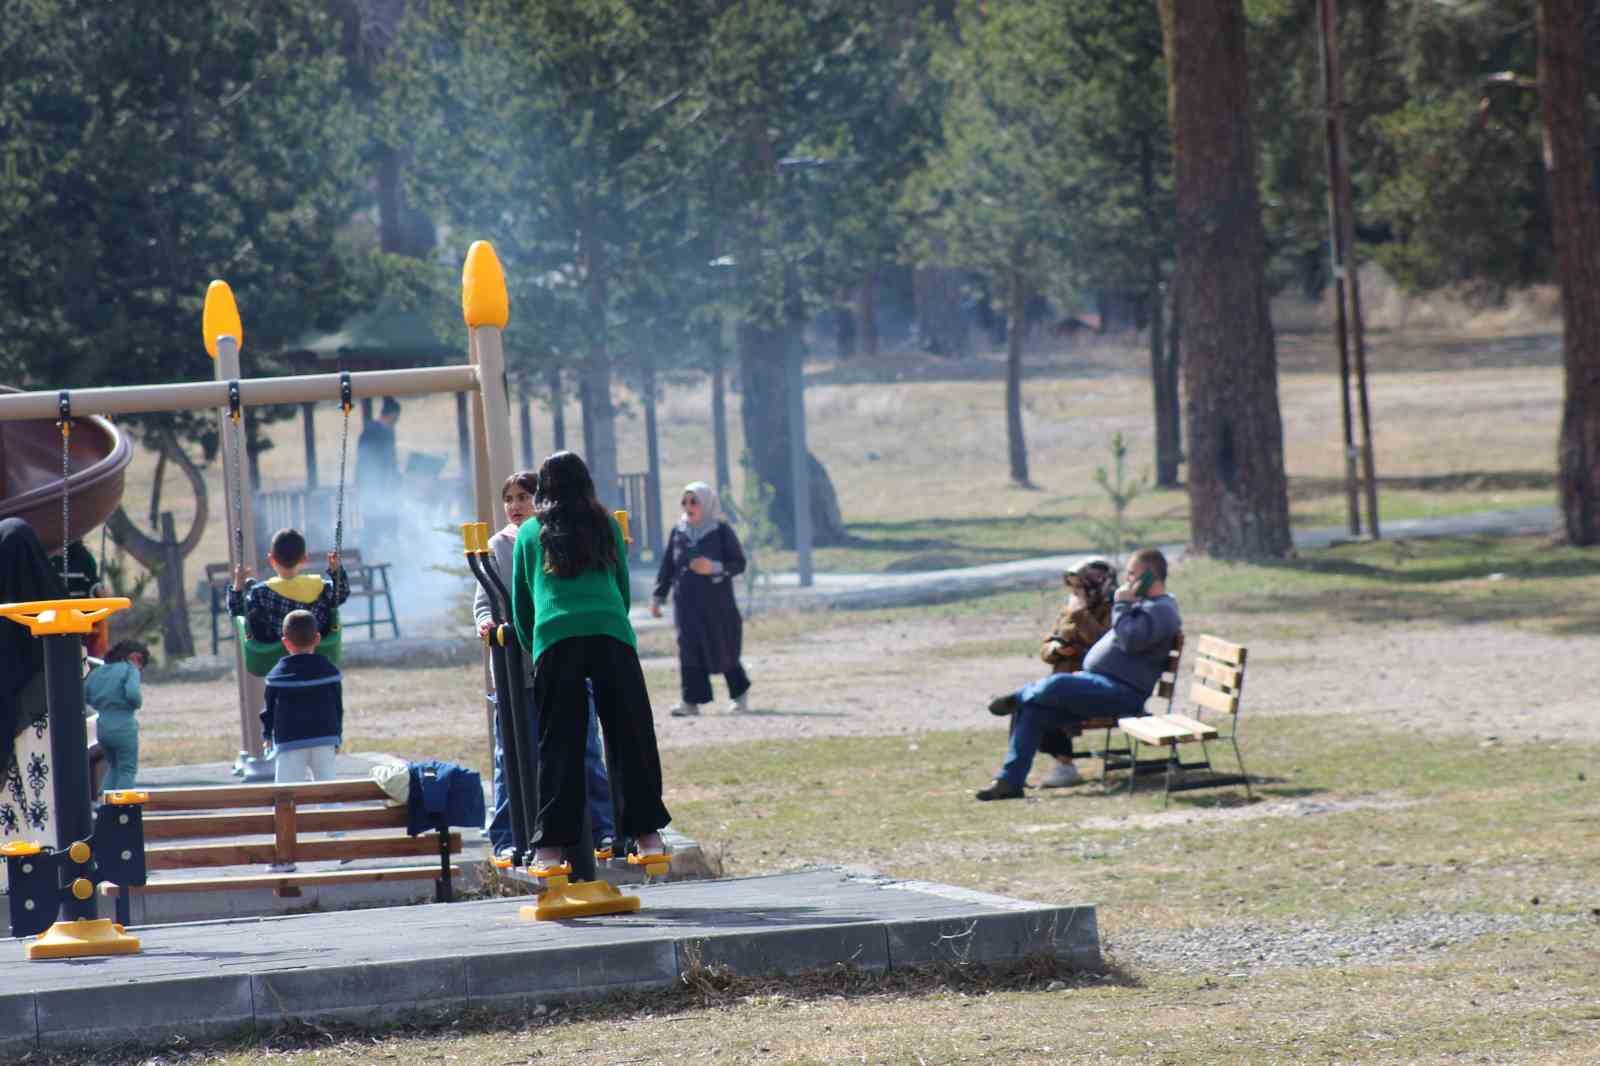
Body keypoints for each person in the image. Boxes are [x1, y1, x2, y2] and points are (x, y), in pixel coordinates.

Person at [510, 451, 670, 871]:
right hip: (610, 633)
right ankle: (647, 835)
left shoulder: (530, 533)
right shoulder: (606, 526)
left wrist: (537, 645)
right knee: (629, 734)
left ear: (542, 489)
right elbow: (621, 587)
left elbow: (521, 602)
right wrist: (611, 622)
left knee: (558, 741)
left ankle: (549, 849)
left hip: (556, 638)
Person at [473, 470, 616, 856]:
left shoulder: (557, 540)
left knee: (585, 749)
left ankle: (601, 827)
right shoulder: (497, 547)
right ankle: (508, 836)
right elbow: (485, 599)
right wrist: (486, 622)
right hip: (514, 668)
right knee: (512, 755)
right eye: (510, 498)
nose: (516, 505)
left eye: (525, 497)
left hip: (561, 658)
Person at [977, 547, 1181, 801]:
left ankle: (1017, 697)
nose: (1127, 580)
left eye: (1132, 574)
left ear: (1149, 576)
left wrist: (1122, 604)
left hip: (1123, 692)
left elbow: (1129, 640)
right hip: (1100, 684)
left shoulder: (1162, 609)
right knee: (1033, 709)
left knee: (1058, 684)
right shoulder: (1147, 605)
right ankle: (1010, 780)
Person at [1015, 558, 1117, 789]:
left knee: (1041, 702)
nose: (1074, 593)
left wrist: (1082, 616)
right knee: (1025, 700)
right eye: (1071, 587)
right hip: (1064, 679)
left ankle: (1065, 766)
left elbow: (1105, 646)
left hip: (1095, 687)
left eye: (1079, 587)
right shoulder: (1070, 609)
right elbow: (1047, 645)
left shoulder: (1112, 609)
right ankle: (1028, 768)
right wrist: (1057, 649)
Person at [651, 482, 752, 717]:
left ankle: (739, 695)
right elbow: (667, 566)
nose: (688, 506)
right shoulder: (678, 531)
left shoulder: (721, 530)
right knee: (688, 649)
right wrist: (658, 596)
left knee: (723, 647)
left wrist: (714, 567)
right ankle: (690, 702)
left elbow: (739, 563)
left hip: (718, 606)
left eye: (694, 501)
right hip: (686, 605)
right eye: (684, 502)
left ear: (706, 504)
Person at [1, 518, 61, 849]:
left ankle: (12, 884)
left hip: (5, 727)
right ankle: (58, 869)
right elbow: (75, 663)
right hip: (46, 721)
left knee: (9, 810)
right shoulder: (55, 610)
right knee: (48, 803)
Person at [262, 610, 344, 789]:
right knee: (327, 790)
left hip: (290, 740)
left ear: (285, 642)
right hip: (325, 736)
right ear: (317, 639)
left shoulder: (278, 674)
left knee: (286, 793)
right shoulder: (329, 670)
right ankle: (329, 815)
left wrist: (267, 734)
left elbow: (269, 708)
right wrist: (337, 735)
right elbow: (338, 706)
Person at [227, 527, 349, 647]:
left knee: (251, 592)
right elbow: (341, 594)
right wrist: (337, 572)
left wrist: (238, 584)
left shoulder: (261, 593)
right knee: (328, 607)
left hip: (273, 656)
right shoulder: (320, 587)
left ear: (271, 559)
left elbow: (237, 609)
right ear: (304, 559)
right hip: (317, 649)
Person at [83, 640, 149, 794]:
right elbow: (133, 694)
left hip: (103, 726)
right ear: (136, 658)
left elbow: (86, 696)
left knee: (114, 767)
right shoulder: (129, 670)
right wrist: (136, 703)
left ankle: (104, 804)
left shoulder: (98, 672)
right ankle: (122, 808)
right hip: (123, 724)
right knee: (127, 769)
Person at [356, 397, 402, 548]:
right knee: (376, 529)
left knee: (383, 528)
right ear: (392, 415)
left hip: (381, 490)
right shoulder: (374, 432)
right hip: (375, 489)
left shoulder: (371, 431)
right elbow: (367, 463)